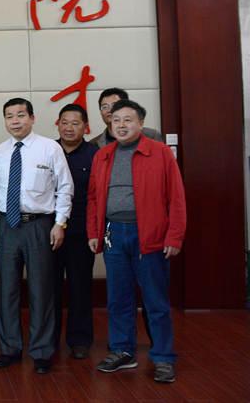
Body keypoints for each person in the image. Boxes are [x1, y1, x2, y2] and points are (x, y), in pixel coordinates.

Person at [87, 99, 186, 384]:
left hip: (150, 235)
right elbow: (93, 197)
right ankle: (123, 351)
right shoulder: (103, 155)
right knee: (118, 298)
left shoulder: (159, 152)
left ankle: (163, 357)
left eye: (128, 120)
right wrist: (93, 231)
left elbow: (176, 197)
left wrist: (174, 235)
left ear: (141, 123)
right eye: (116, 120)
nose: (121, 125)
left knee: (155, 301)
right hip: (113, 235)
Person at [0, 98, 73, 374]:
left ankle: (42, 351)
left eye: (21, 115)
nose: (15, 121)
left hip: (39, 226)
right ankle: (9, 348)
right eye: (9, 116)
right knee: (7, 289)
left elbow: (65, 187)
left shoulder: (50, 148)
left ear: (32, 118)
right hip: (6, 226)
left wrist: (60, 223)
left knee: (41, 289)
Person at [53, 104, 98, 359]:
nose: (69, 128)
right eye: (64, 122)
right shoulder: (47, 150)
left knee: (80, 286)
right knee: (49, 287)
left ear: (85, 127)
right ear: (57, 124)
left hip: (81, 231)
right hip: (49, 231)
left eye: (75, 123)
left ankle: (80, 340)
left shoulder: (95, 154)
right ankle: (49, 339)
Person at [93, 88, 162, 148]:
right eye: (104, 107)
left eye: (114, 105)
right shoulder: (94, 144)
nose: (109, 110)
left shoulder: (152, 135)